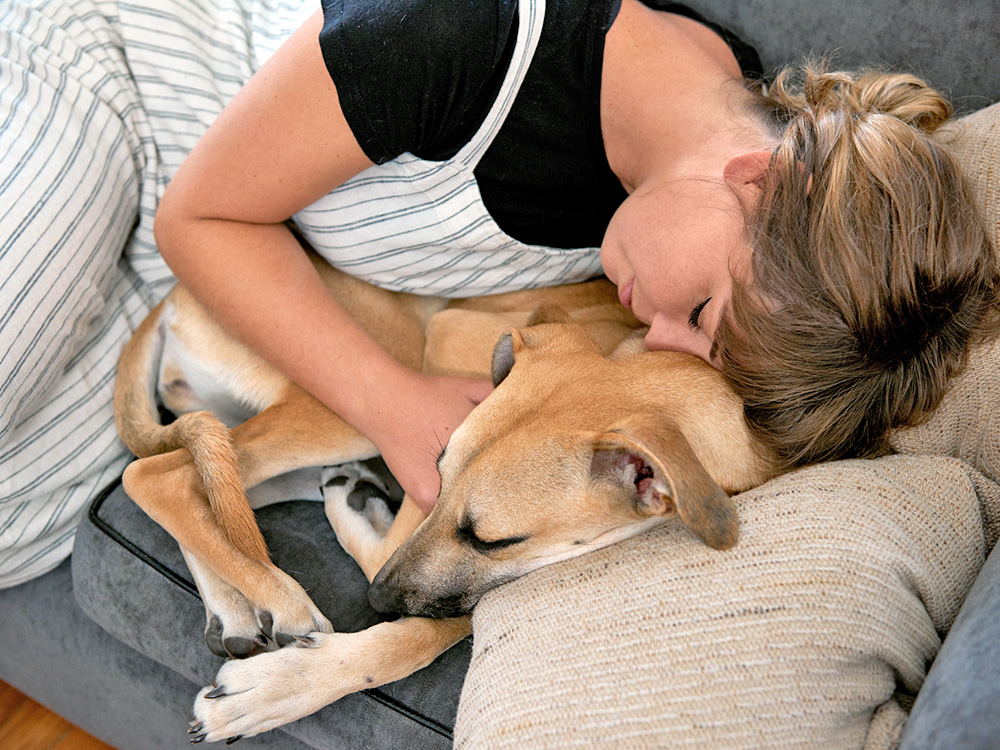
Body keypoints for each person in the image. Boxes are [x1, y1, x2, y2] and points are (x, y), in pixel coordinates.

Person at [0, 0, 996, 587]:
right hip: (109, 94)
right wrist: (389, 405)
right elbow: (201, 219)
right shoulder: (460, 32)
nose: (655, 340)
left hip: (158, 276)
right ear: (758, 180)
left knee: (17, 530)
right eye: (699, 318)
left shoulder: (679, 169)